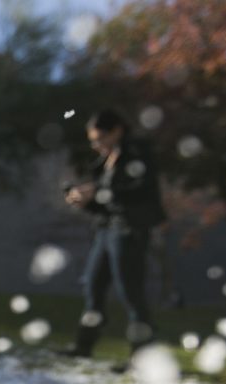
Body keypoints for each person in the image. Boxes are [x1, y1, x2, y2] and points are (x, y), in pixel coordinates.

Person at [61, 108, 166, 368]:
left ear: (117, 130)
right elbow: (107, 202)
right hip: (107, 230)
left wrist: (95, 193)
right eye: (93, 141)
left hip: (129, 230)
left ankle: (142, 358)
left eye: (100, 139)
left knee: (131, 293)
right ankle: (83, 347)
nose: (97, 146)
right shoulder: (108, 160)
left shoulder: (137, 153)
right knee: (93, 287)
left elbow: (136, 192)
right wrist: (84, 200)